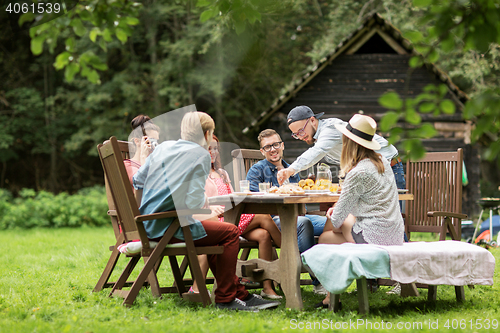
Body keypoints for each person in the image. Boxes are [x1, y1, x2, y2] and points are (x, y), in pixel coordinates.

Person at [133, 111, 280, 311]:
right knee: (230, 232)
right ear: (207, 133)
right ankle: (226, 298)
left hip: (150, 223)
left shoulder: (164, 147)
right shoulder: (200, 155)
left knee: (218, 235)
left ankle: (240, 294)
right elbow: (194, 204)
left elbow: (138, 180)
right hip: (171, 226)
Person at [316, 114, 405, 308]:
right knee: (341, 220)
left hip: (375, 236)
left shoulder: (358, 173)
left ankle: (329, 295)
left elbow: (339, 219)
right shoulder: (382, 162)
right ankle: (331, 294)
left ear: (349, 143)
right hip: (395, 234)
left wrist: (333, 213)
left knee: (325, 237)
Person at [190, 134, 282, 299]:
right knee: (264, 217)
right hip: (216, 219)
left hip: (232, 216)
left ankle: (267, 287)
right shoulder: (198, 174)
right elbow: (197, 203)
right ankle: (291, 255)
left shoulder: (222, 173)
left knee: (264, 234)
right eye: (208, 148)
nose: (213, 152)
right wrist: (213, 209)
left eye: (215, 149)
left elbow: (232, 197)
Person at [245, 129, 328, 295]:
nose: (273, 149)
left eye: (275, 144)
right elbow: (253, 202)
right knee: (304, 224)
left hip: (299, 216)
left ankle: (340, 272)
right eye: (267, 147)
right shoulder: (257, 171)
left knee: (332, 222)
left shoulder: (292, 170)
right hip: (275, 219)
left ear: (282, 146)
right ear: (262, 151)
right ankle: (317, 280)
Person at [276, 106, 406, 191]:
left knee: (392, 219)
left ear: (312, 120)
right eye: (296, 135)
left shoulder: (330, 129)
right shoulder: (319, 135)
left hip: (388, 166)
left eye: (301, 131)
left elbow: (317, 152)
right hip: (368, 171)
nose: (300, 137)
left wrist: (291, 169)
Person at [124, 115, 160, 185]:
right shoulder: (128, 166)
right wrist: (143, 156)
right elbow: (141, 183)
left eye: (157, 141)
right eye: (151, 140)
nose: (155, 145)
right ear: (137, 141)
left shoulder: (153, 165)